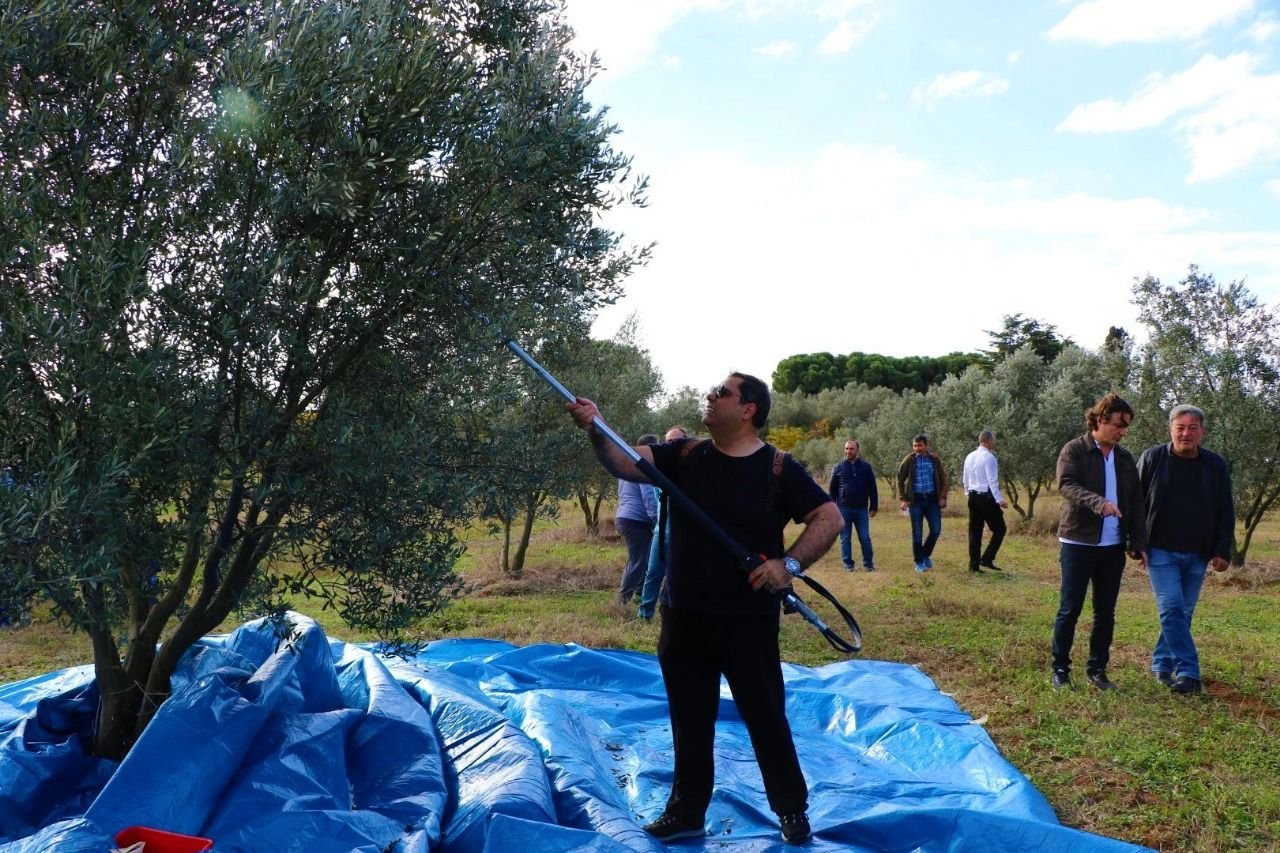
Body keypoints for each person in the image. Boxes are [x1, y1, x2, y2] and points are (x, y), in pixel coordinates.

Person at [565, 372, 841, 846]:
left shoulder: (778, 467)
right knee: (689, 719)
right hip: (684, 615)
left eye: (722, 393)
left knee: (765, 717)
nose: (710, 397)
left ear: (748, 408)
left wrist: (788, 564)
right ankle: (686, 813)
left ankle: (791, 810)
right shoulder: (686, 454)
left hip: (747, 621)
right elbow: (627, 462)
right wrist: (596, 427)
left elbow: (829, 517)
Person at [1051, 393, 1147, 691]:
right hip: (1078, 542)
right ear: (1100, 419)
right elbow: (1066, 485)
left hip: (1112, 547)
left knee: (1105, 612)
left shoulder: (1124, 458)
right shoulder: (1075, 450)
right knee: (1070, 609)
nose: (1122, 431)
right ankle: (1060, 670)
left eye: (1126, 426)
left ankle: (1097, 670)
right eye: (1118, 424)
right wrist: (1098, 502)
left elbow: (1134, 501)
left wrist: (1138, 541)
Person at [1136, 405, 1234, 695]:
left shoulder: (1214, 465)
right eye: (1180, 427)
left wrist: (1222, 550)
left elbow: (1225, 509)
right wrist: (1135, 543)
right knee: (1171, 608)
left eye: (1192, 428)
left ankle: (1162, 664)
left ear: (1202, 431)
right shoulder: (1153, 458)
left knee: (1184, 611)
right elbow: (1136, 503)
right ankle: (1189, 671)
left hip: (1198, 552)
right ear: (1171, 429)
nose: (1186, 433)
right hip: (1159, 550)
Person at [637, 426, 691, 622]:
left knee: (677, 578)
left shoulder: (693, 471)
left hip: (683, 535)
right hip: (661, 532)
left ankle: (675, 615)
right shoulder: (661, 469)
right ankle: (645, 614)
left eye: (677, 440)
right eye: (668, 442)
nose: (672, 445)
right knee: (652, 573)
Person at [616, 434, 660, 604]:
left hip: (625, 517)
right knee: (638, 561)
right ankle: (622, 601)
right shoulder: (643, 466)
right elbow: (648, 495)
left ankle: (639, 594)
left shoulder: (627, 464)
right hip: (636, 520)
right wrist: (657, 519)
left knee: (642, 559)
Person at [896, 434, 947, 572]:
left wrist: (942, 497)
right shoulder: (909, 460)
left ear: (926, 446)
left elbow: (943, 478)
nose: (917, 448)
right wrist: (903, 498)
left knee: (936, 530)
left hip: (932, 500)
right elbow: (900, 478)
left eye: (919, 445)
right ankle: (919, 562)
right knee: (917, 533)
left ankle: (925, 554)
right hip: (916, 501)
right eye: (915, 446)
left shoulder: (934, 459)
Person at [827, 438, 878, 571]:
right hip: (843, 509)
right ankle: (848, 565)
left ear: (857, 450)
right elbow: (832, 491)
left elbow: (872, 488)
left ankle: (868, 564)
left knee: (865, 538)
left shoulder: (866, 467)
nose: (848, 451)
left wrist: (873, 506)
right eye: (846, 449)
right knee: (845, 538)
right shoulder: (838, 467)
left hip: (861, 509)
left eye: (851, 449)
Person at [962, 430, 1008, 573]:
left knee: (975, 532)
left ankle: (973, 565)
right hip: (985, 498)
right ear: (988, 441)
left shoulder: (969, 456)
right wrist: (999, 500)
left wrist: (967, 493)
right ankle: (987, 558)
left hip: (973, 496)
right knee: (1000, 528)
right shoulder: (989, 458)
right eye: (994, 440)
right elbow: (992, 481)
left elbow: (965, 478)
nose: (995, 443)